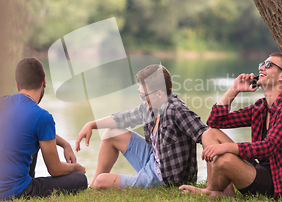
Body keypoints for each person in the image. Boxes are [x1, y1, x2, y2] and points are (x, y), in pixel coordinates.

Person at [179, 53, 282, 200]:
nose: (261, 68)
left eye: (268, 65)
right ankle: (219, 190)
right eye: (262, 64)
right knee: (209, 134)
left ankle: (212, 192)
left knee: (224, 159)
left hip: (280, 184)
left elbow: (268, 147)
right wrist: (234, 89)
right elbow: (215, 122)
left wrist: (226, 148)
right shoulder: (261, 107)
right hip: (260, 171)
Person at [75, 64, 209, 189]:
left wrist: (210, 182)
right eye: (141, 94)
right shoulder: (152, 107)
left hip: (165, 178)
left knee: (102, 181)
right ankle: (92, 188)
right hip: (155, 159)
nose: (142, 99)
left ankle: (96, 185)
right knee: (111, 133)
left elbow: (207, 136)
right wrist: (91, 125)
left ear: (159, 93)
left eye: (144, 95)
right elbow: (123, 118)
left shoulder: (176, 111)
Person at [0, 57, 88, 201]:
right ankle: (27, 183)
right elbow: (55, 169)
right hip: (14, 193)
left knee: (32, 136)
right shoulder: (43, 116)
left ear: (17, 85)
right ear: (44, 82)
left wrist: (64, 143)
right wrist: (76, 168)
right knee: (80, 179)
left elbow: (27, 128)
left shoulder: (1, 103)